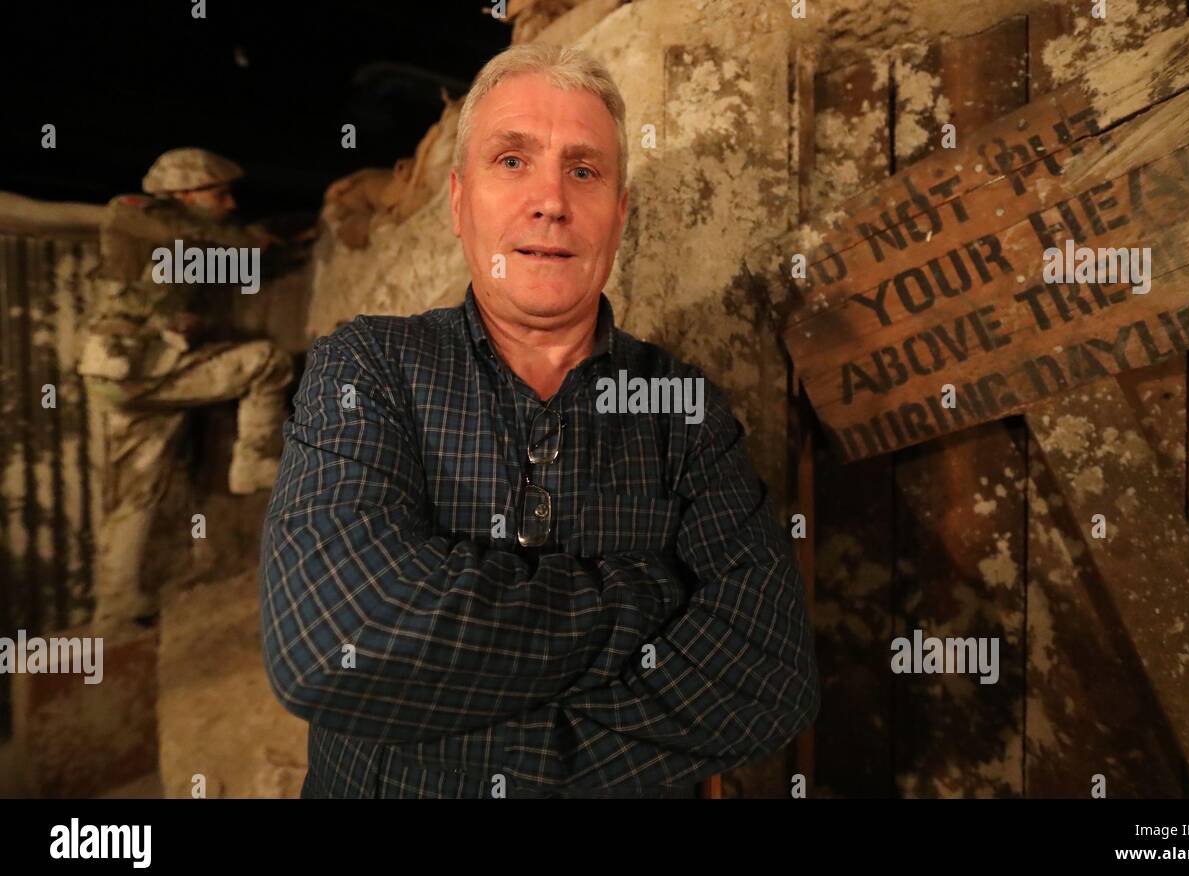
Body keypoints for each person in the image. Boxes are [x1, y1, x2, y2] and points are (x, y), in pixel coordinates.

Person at [260, 44, 819, 799]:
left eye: (584, 171)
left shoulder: (682, 410)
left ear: (618, 217)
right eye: (513, 161)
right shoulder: (368, 369)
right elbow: (332, 643)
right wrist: (652, 594)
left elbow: (772, 674)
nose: (551, 200)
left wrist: (475, 754)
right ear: (459, 202)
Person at [79, 148, 295, 629]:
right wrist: (261, 239)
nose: (230, 202)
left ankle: (113, 612)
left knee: (136, 494)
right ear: (180, 193)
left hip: (131, 375)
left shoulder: (180, 243)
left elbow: (191, 264)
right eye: (219, 192)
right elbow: (196, 237)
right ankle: (255, 461)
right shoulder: (134, 212)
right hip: (132, 368)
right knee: (266, 363)